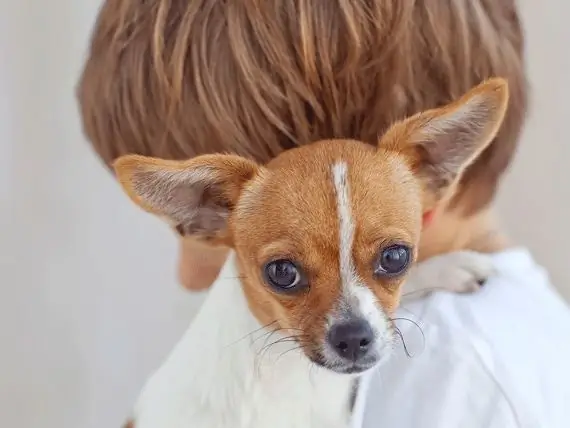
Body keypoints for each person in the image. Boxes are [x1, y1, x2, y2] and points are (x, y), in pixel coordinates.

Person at [77, 1, 570, 427]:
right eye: (287, 273)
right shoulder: (506, 332)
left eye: (392, 258)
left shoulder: (445, 367)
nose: (186, 276)